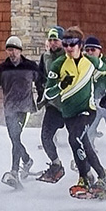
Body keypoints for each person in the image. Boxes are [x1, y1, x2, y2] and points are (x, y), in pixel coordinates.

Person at [43, 26, 106, 198]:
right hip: (68, 113)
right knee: (83, 145)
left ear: (80, 45)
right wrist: (61, 85)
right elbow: (47, 92)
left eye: (72, 44)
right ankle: (102, 174)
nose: (68, 48)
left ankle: (84, 178)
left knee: (74, 138)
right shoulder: (58, 64)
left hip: (87, 110)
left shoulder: (90, 60)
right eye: (65, 44)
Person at [0, 35, 41, 189]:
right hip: (9, 107)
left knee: (15, 136)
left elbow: (41, 81)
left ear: (20, 51)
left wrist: (43, 97)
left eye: (15, 50)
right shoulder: (3, 68)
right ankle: (27, 160)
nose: (12, 53)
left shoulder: (30, 66)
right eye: (9, 50)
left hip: (24, 107)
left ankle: (14, 172)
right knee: (14, 138)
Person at [35, 26, 68, 184]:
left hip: (70, 106)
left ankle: (90, 172)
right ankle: (56, 165)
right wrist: (42, 96)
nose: (53, 43)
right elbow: (40, 78)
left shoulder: (68, 56)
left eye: (56, 40)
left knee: (78, 141)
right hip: (53, 106)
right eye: (51, 40)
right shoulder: (45, 57)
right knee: (45, 137)